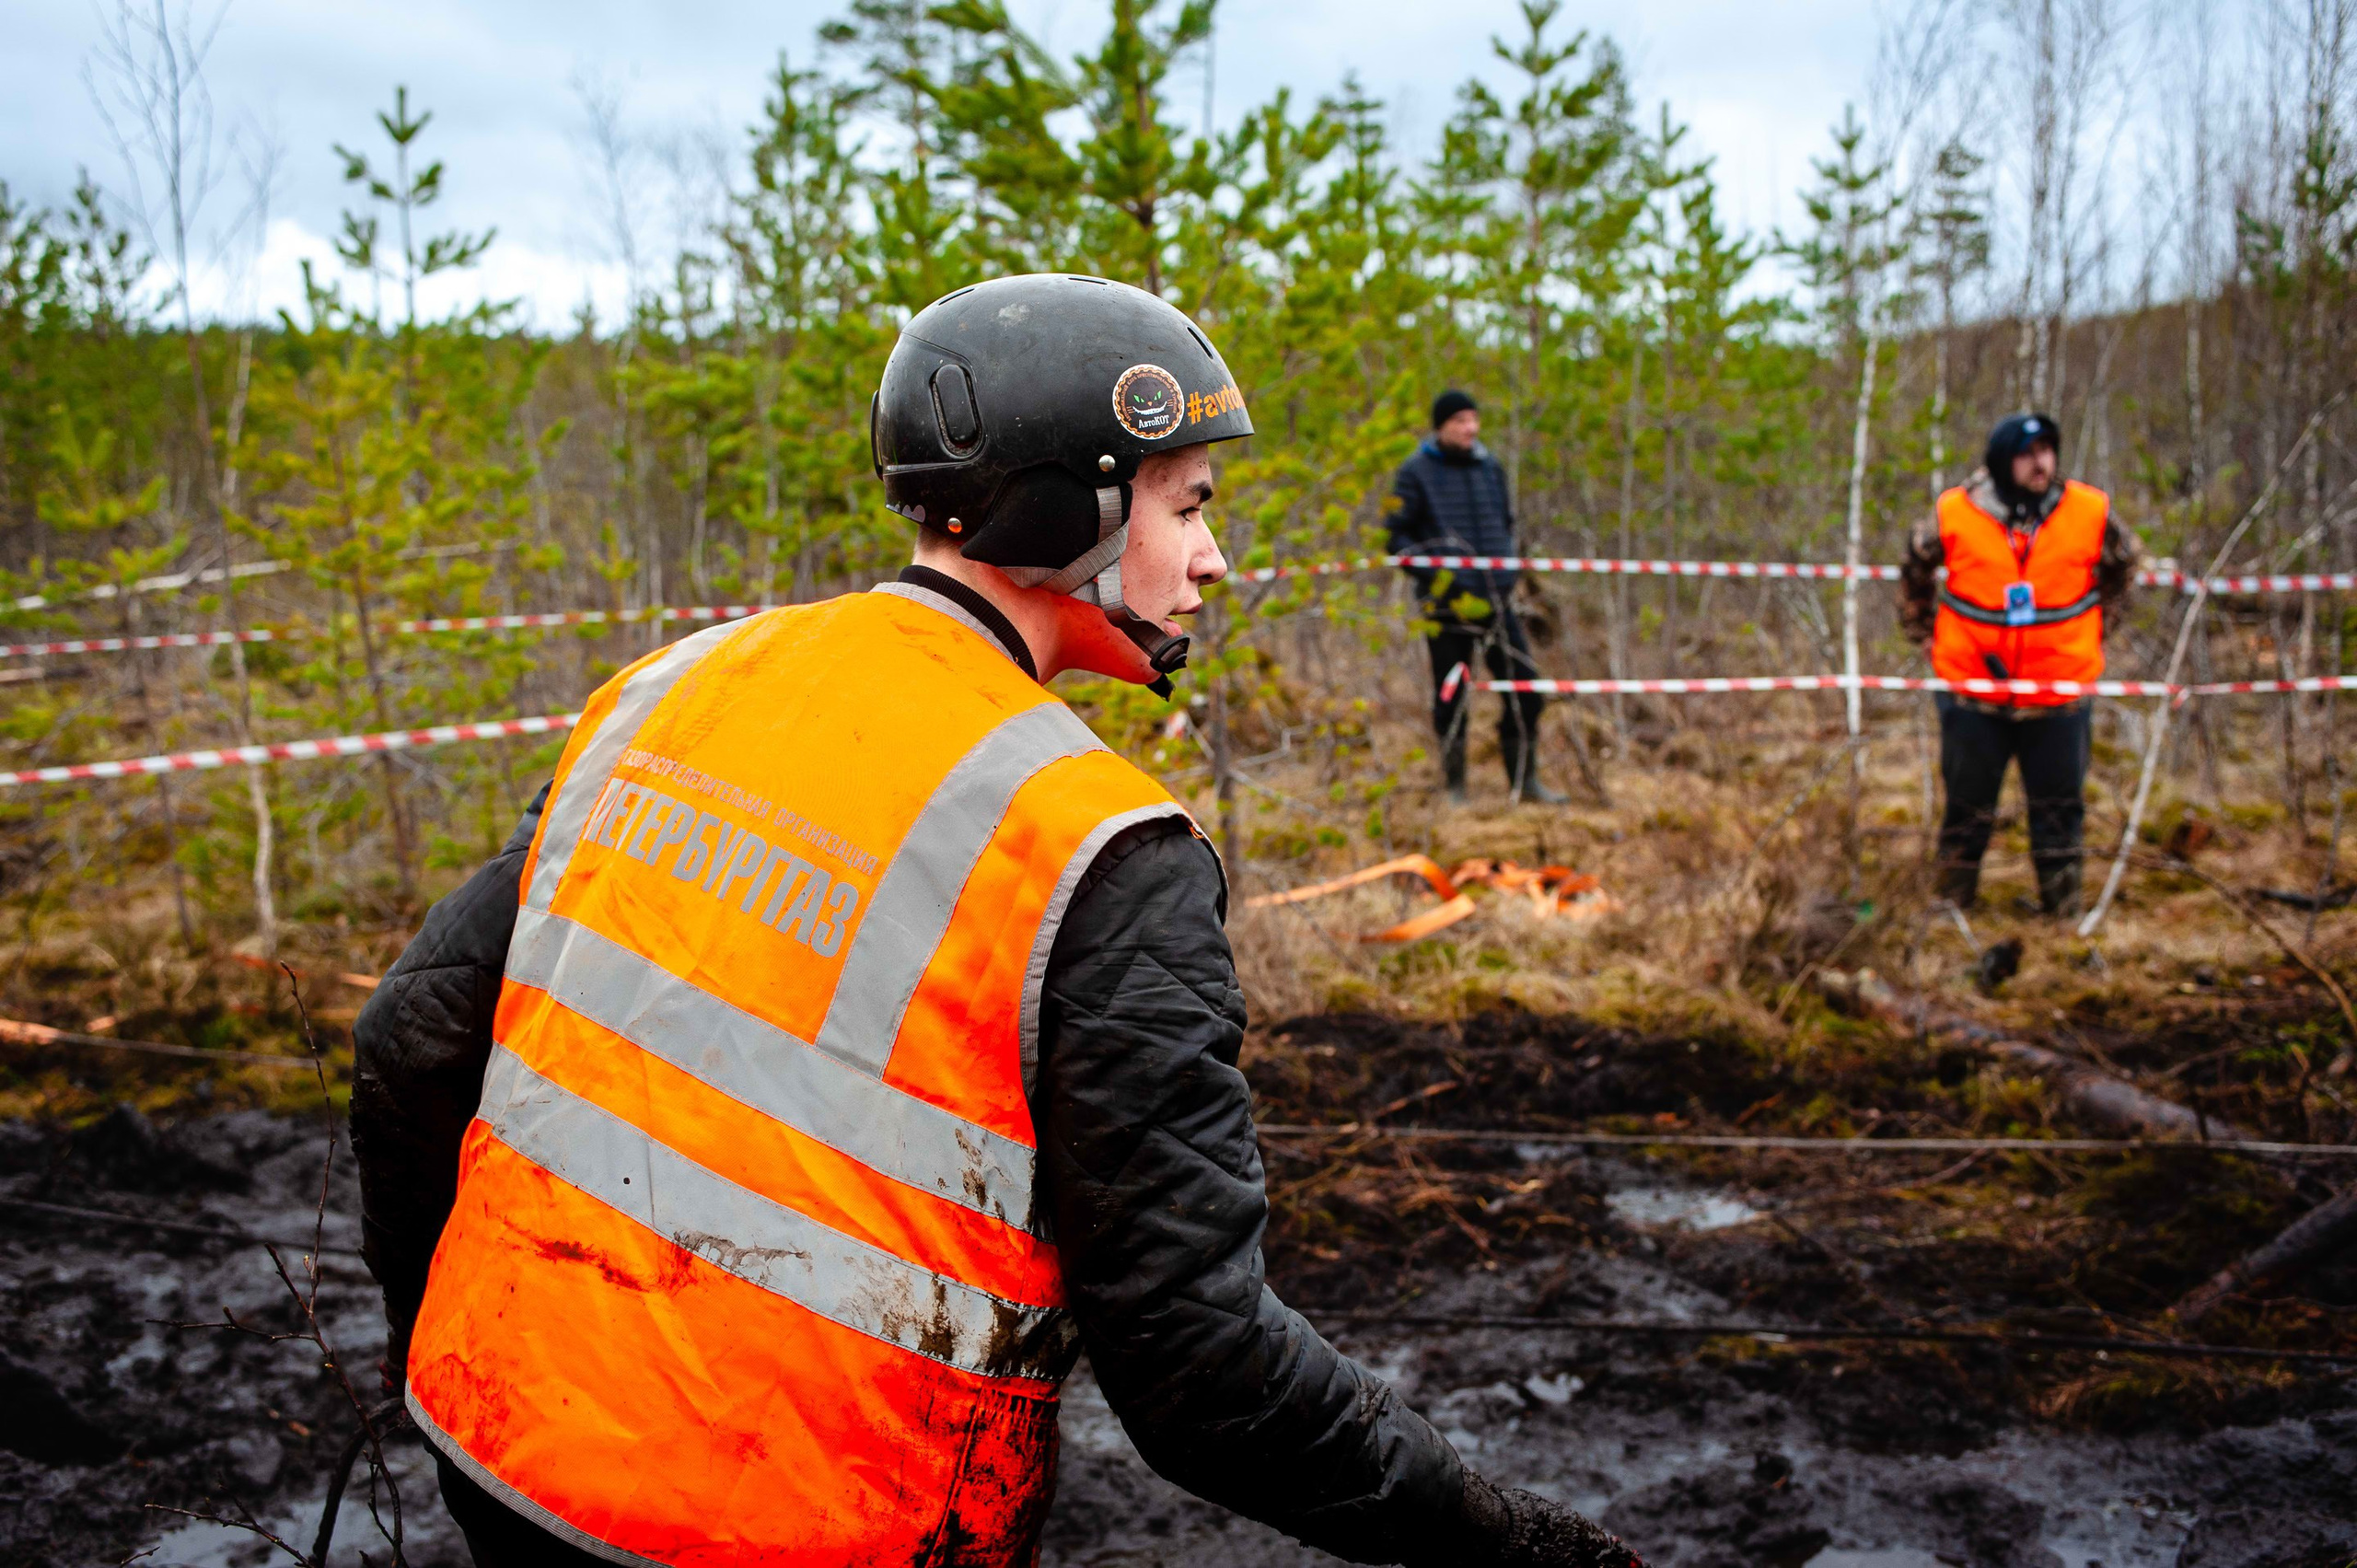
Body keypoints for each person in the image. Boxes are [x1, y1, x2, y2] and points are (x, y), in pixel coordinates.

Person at [351, 274, 1643, 1568]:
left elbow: (410, 1044)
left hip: (498, 1451)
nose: (1213, 555)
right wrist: (1530, 1544)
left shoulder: (668, 688)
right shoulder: (1098, 844)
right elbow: (1207, 1371)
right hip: (813, 1528)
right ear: (1066, 510)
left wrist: (445, 1342)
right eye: (1187, 504)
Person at [1899, 412, 2142, 916]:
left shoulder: (2088, 509)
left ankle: (2061, 908)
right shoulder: (1956, 511)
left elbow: (2125, 565)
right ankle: (1952, 905)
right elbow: (1914, 568)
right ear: (2002, 459)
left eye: (2048, 451)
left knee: (2059, 807)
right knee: (1967, 805)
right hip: (1974, 691)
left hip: (2058, 693)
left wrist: (2099, 626)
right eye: (2028, 454)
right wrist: (1924, 634)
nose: (2041, 463)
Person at [1387, 389, 1566, 806]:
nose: (1470, 428)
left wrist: (1511, 568)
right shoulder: (1415, 472)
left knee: (1527, 689)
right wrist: (1438, 576)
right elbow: (1397, 537)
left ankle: (1527, 784)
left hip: (1499, 602)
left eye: (1473, 419)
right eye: (1460, 421)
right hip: (1447, 608)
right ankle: (1455, 790)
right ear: (1441, 426)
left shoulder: (1490, 467)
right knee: (1451, 697)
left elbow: (1505, 522)